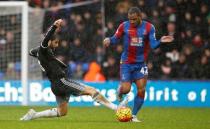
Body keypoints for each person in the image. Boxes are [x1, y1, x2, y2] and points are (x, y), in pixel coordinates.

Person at [20, 19, 127, 121]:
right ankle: (117, 108)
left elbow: (31, 52)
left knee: (62, 112)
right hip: (61, 82)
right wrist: (54, 26)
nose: (57, 45)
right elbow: (45, 41)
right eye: (55, 42)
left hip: (55, 85)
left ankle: (34, 115)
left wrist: (35, 52)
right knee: (92, 91)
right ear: (49, 42)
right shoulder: (44, 50)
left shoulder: (41, 53)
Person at [103, 7, 174, 122]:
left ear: (140, 17)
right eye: (130, 19)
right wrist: (109, 40)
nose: (132, 22)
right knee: (126, 89)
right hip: (126, 62)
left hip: (141, 64)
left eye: (134, 19)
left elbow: (153, 45)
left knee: (141, 89)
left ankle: (133, 116)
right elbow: (115, 39)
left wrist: (161, 41)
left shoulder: (149, 27)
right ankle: (120, 90)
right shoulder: (123, 26)